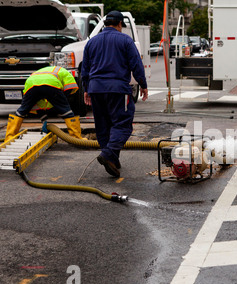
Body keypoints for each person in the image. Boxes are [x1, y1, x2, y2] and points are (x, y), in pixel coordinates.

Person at [81, 10, 148, 178]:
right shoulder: (125, 40)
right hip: (117, 89)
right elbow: (136, 64)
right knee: (123, 124)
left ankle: (112, 159)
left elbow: (85, 69)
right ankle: (108, 153)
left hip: (96, 89)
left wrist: (86, 89)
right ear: (119, 24)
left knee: (103, 125)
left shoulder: (91, 42)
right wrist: (143, 84)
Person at [4, 66, 84, 142]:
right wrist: (62, 105)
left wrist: (44, 119)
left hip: (31, 83)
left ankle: (9, 138)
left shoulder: (42, 71)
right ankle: (76, 138)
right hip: (51, 83)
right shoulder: (66, 73)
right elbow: (70, 88)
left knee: (22, 110)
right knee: (67, 111)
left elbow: (40, 105)